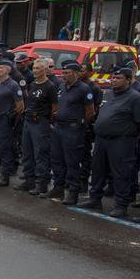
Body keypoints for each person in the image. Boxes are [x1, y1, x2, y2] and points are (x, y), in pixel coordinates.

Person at [80, 68, 140, 218]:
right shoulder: (108, 93)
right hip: (102, 139)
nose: (114, 80)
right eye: (113, 78)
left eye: (118, 78)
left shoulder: (134, 98)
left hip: (121, 141)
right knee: (98, 170)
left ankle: (121, 205)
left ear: (128, 80)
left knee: (121, 173)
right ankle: (95, 198)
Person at [46, 62, 95, 206]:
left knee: (72, 161)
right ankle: (58, 187)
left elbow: (90, 112)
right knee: (56, 159)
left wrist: (80, 124)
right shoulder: (62, 87)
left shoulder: (84, 89)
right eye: (63, 72)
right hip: (58, 128)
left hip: (72, 129)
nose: (64, 75)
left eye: (67, 73)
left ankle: (73, 191)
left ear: (76, 73)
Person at [15, 59, 59, 195]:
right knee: (27, 152)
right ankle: (29, 179)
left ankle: (42, 182)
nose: (35, 70)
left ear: (45, 70)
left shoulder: (50, 86)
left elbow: (54, 107)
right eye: (34, 68)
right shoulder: (33, 84)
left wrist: (48, 122)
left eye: (38, 68)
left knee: (40, 153)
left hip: (40, 123)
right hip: (28, 121)